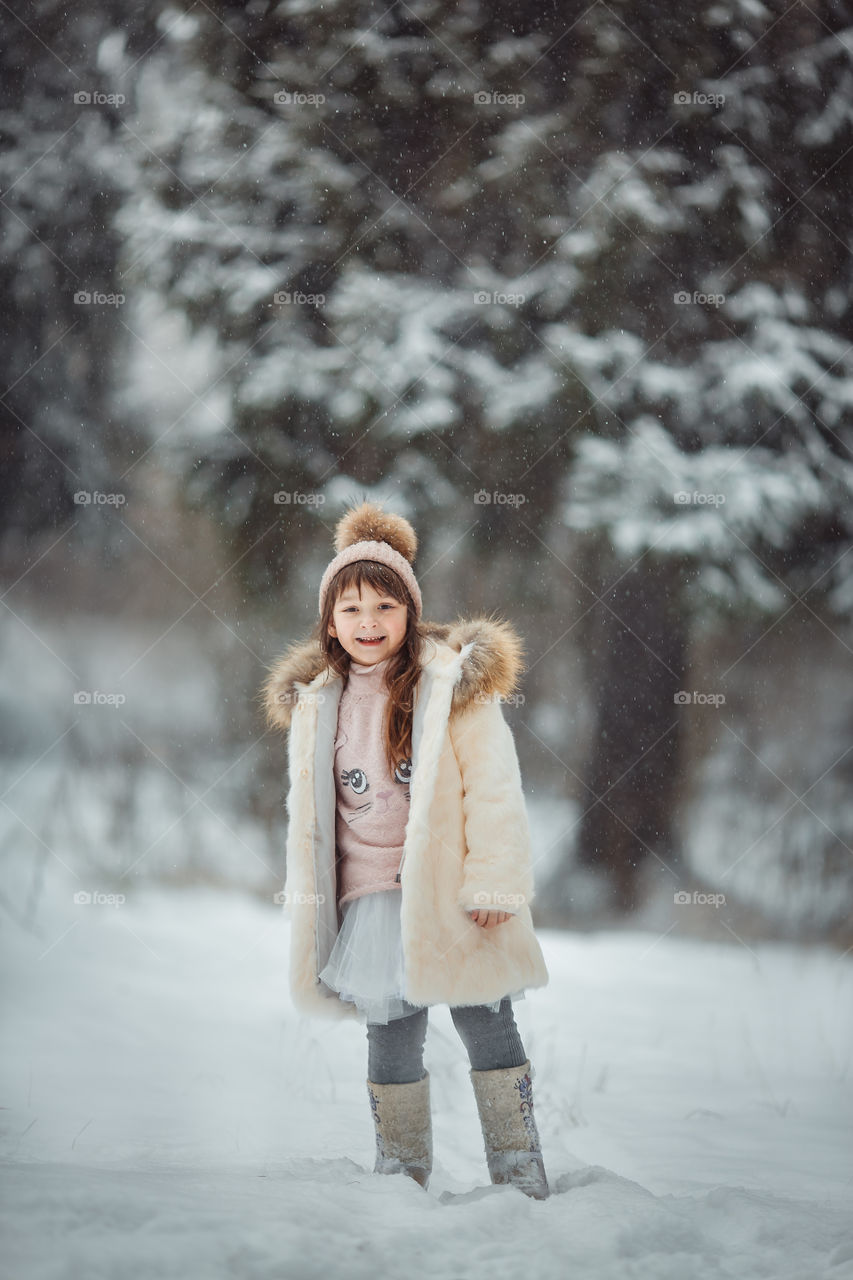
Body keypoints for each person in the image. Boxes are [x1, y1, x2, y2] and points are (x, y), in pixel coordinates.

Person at [261, 499, 551, 1199]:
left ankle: (518, 1173)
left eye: (384, 607)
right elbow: (314, 815)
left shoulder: (449, 685)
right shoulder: (318, 700)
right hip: (370, 897)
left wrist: (493, 884)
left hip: (451, 892)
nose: (368, 624)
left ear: (410, 613)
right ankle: (401, 1175)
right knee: (390, 1035)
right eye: (352, 610)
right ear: (329, 621)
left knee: (485, 1018)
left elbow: (492, 790)